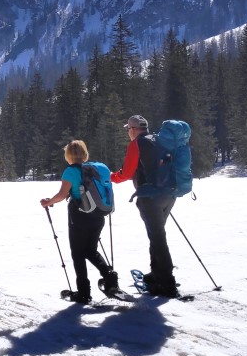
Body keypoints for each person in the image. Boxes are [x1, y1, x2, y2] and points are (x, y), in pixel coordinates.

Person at [40, 140, 118, 304]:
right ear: (84, 153)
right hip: (99, 215)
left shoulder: (70, 171)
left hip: (79, 216)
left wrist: (48, 202)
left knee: (78, 253)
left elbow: (62, 195)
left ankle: (83, 293)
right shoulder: (100, 167)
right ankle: (110, 278)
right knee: (90, 250)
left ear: (68, 155)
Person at [111, 115, 178, 297]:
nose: (128, 133)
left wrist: (110, 177)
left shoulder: (137, 144)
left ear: (133, 129)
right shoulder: (157, 140)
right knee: (156, 234)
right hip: (169, 194)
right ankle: (156, 274)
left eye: (128, 129)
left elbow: (126, 173)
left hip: (150, 197)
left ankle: (167, 283)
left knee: (157, 237)